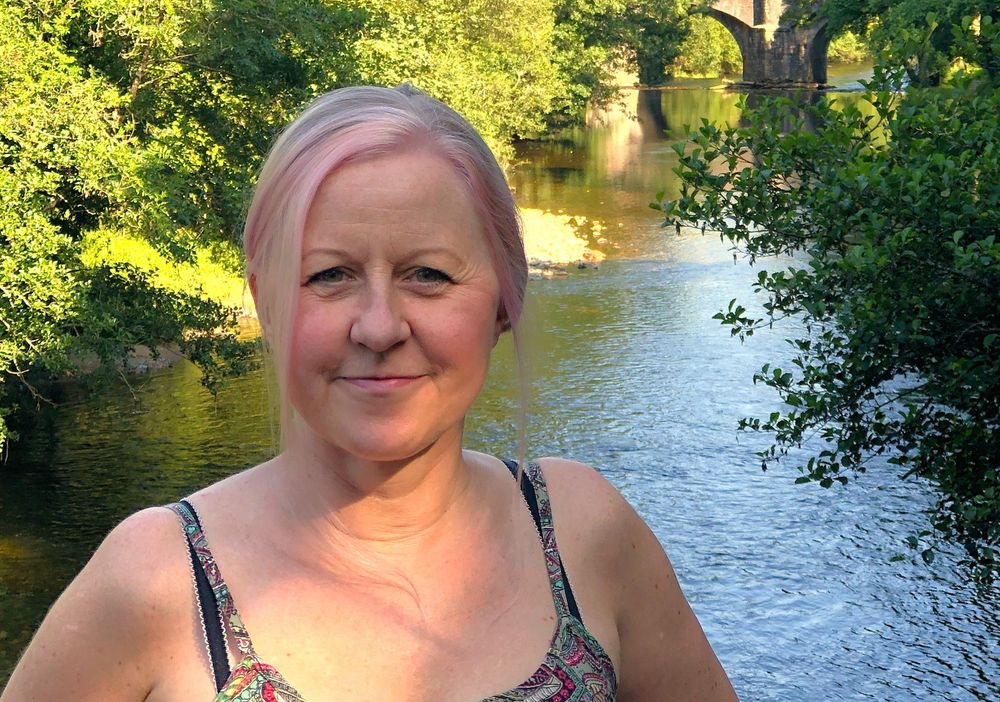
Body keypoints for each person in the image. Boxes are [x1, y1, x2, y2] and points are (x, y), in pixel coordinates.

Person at [3, 85, 738, 702]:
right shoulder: (157, 579)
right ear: (267, 305)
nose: (380, 327)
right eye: (329, 275)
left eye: (429, 275)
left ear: (504, 303)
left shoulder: (583, 533)